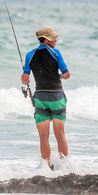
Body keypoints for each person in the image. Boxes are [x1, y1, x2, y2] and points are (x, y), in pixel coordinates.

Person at [21, 26, 71, 169]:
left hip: (41, 97)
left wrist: (26, 80)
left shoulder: (30, 54)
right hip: (57, 96)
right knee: (60, 134)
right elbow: (67, 74)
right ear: (47, 39)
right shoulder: (55, 53)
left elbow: (25, 78)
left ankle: (45, 167)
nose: (56, 40)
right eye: (54, 38)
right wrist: (59, 77)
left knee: (43, 137)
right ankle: (64, 167)